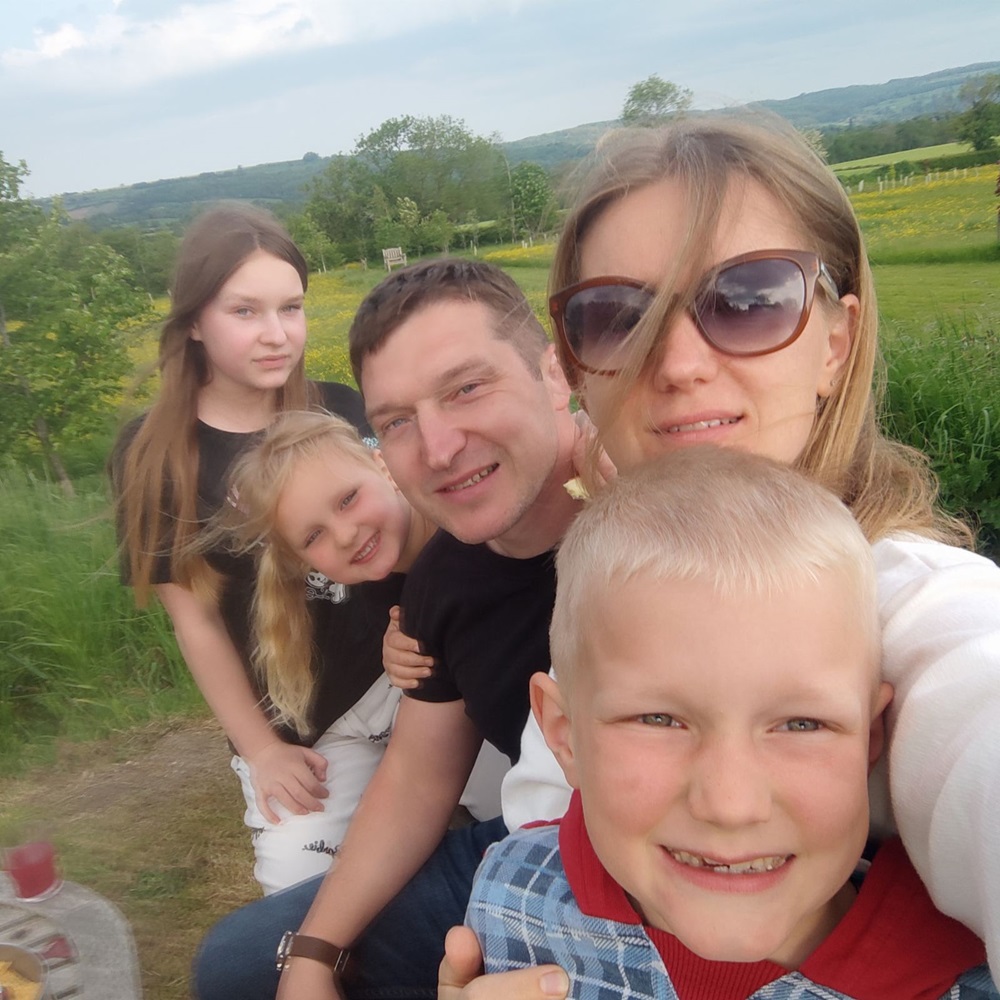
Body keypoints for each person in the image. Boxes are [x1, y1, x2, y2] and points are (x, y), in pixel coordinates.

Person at [446, 112, 1000, 998]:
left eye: (749, 298)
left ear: (836, 342)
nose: (676, 361)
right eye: (615, 316)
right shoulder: (624, 584)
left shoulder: (932, 619)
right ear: (578, 369)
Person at [468, 447, 994, 999]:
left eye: (800, 724)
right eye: (659, 719)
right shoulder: (509, 896)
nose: (730, 805)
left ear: (872, 737)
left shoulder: (961, 978)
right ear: (563, 735)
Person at [193, 259, 583, 1000]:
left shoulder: (646, 502)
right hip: (542, 843)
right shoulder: (443, 578)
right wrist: (313, 953)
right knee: (239, 966)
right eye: (399, 420)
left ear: (555, 371)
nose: (437, 448)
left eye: (467, 388)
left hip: (674, 872)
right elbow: (415, 776)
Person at [110, 204, 403, 894]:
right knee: (301, 900)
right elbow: (196, 619)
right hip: (303, 722)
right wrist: (262, 749)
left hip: (408, 679)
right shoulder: (158, 456)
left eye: (291, 308)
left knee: (514, 818)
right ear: (193, 324)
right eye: (245, 312)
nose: (277, 335)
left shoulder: (345, 411)